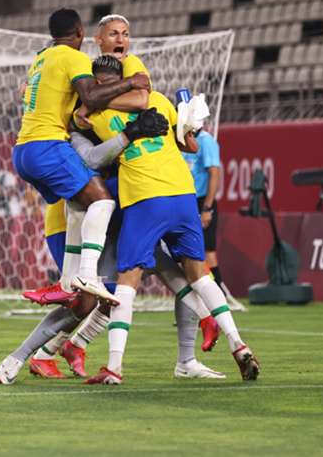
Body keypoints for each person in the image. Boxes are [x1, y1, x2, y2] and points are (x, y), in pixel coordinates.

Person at [29, 55, 223, 381]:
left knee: (161, 273)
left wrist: (181, 129)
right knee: (90, 296)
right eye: (102, 87)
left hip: (121, 207)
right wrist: (128, 132)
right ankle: (42, 353)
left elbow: (147, 100)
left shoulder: (116, 107)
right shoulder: (78, 120)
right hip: (77, 221)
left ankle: (189, 350)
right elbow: (91, 158)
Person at [78, 69, 260, 384]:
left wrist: (84, 108)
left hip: (145, 197)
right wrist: (187, 122)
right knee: (200, 275)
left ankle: (114, 367)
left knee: (127, 280)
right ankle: (238, 345)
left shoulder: (93, 114)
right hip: (183, 193)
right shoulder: (159, 100)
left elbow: (90, 153)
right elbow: (189, 144)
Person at [12, 8, 151, 308]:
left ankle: (66, 282)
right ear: (81, 34)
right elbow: (91, 97)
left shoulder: (41, 58)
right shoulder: (73, 57)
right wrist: (130, 82)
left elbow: (28, 91)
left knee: (77, 203)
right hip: (48, 144)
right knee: (101, 200)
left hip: (23, 150)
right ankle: (86, 274)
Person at [182, 125, 245, 311]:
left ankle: (218, 298)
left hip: (201, 201)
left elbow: (214, 173)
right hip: (186, 200)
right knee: (190, 253)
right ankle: (197, 305)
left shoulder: (206, 141)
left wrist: (207, 207)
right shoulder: (183, 139)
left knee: (208, 252)